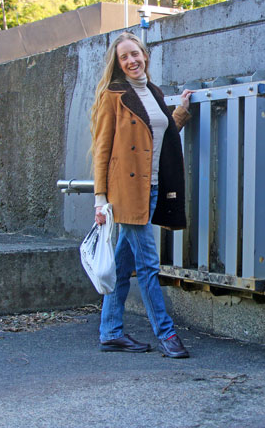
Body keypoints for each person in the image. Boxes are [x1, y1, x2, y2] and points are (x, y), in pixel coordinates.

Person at [90, 32, 193, 358]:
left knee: (123, 265)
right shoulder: (113, 96)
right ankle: (167, 333)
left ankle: (110, 332)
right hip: (126, 193)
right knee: (147, 265)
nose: (132, 60)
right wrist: (100, 199)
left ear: (144, 55)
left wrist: (180, 113)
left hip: (153, 188)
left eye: (136, 54)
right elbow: (102, 151)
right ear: (118, 64)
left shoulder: (153, 92)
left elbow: (156, 140)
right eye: (125, 57)